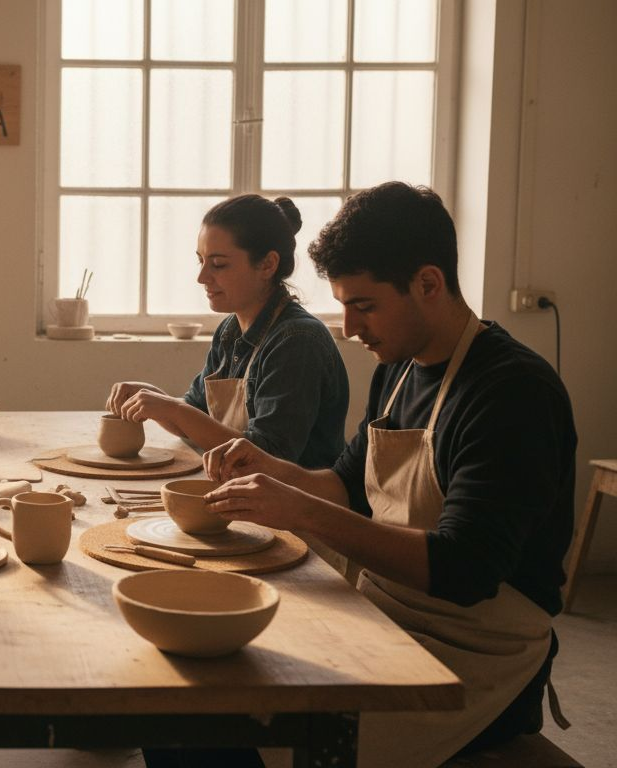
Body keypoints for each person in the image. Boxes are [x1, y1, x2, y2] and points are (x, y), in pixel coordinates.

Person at [198, 182, 575, 767]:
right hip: (384, 605)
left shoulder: (511, 393)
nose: (349, 327)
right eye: (343, 305)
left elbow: (463, 569)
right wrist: (271, 470)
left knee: (231, 731)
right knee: (194, 680)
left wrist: (297, 510)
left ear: (428, 283)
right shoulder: (399, 368)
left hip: (474, 650)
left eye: (364, 305)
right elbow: (349, 487)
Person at [107, 194, 348, 469]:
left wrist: (172, 409)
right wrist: (152, 399)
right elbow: (196, 417)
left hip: (294, 502)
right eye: (201, 261)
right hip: (244, 490)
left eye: (218, 264)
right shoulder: (230, 331)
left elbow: (269, 457)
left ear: (268, 265)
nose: (202, 277)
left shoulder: (297, 340)